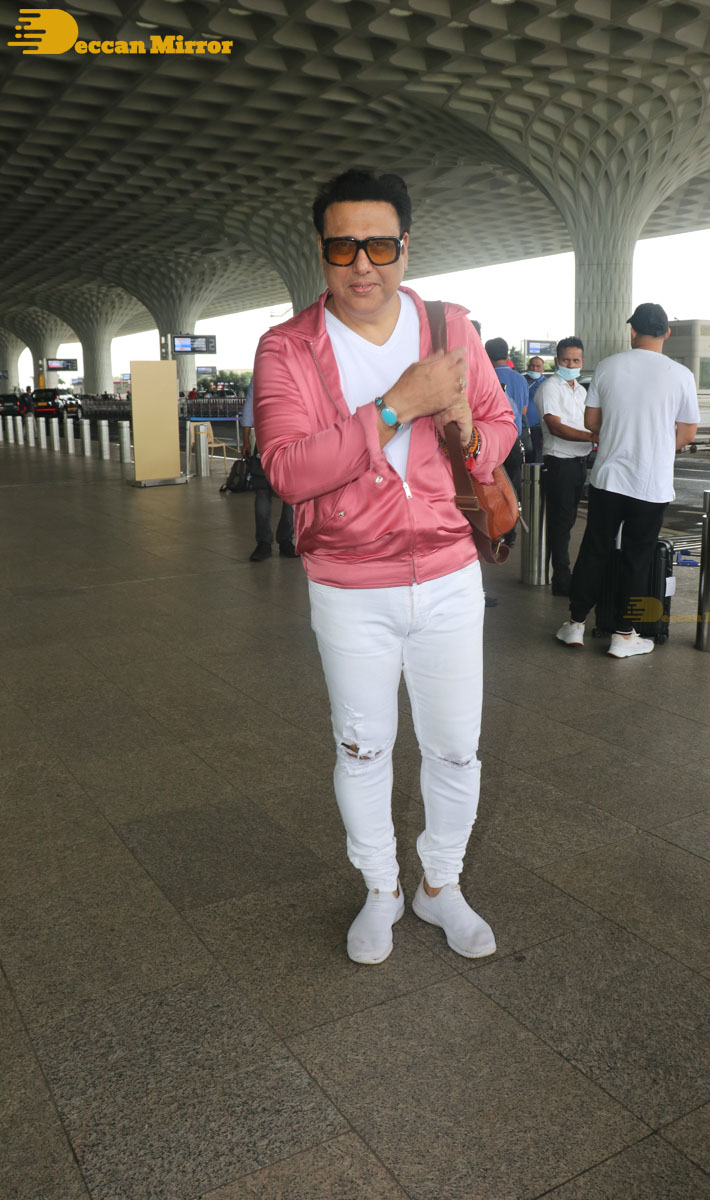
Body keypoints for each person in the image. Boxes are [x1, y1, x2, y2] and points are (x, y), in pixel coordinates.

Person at [253, 167, 516, 965]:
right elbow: (288, 469)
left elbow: (500, 425)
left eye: (378, 245)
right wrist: (398, 405)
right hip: (348, 582)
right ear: (321, 250)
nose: (361, 265)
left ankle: (440, 885)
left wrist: (471, 430)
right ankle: (380, 890)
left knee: (456, 747)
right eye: (343, 247)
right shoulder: (288, 348)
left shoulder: (448, 326)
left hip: (448, 573)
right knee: (363, 749)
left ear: (406, 245)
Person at [556, 303, 699, 658]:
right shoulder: (681, 375)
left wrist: (618, 433)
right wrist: (658, 448)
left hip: (609, 478)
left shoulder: (608, 366)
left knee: (594, 549)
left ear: (632, 331)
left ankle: (575, 624)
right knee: (639, 556)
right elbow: (687, 433)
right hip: (651, 485)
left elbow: (591, 422)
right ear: (667, 333)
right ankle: (624, 635)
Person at [536, 337, 593, 596]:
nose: (571, 365)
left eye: (576, 360)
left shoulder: (581, 391)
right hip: (559, 463)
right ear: (557, 361)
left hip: (579, 463)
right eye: (566, 360)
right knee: (560, 524)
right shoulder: (550, 388)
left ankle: (561, 573)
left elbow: (589, 422)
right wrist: (593, 437)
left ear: (582, 362)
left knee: (568, 521)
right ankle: (561, 579)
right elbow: (555, 427)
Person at [240, 379, 298, 561]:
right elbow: (250, 405)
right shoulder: (262, 373)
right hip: (267, 441)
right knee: (263, 491)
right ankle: (267, 542)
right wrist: (246, 440)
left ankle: (282, 540)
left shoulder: (291, 371)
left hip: (290, 440)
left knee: (290, 493)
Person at [484, 336, 526, 507]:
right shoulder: (520, 379)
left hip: (491, 442)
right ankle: (512, 519)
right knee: (512, 487)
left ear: (486, 355)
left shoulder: (486, 376)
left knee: (491, 488)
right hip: (514, 441)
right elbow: (523, 411)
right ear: (507, 354)